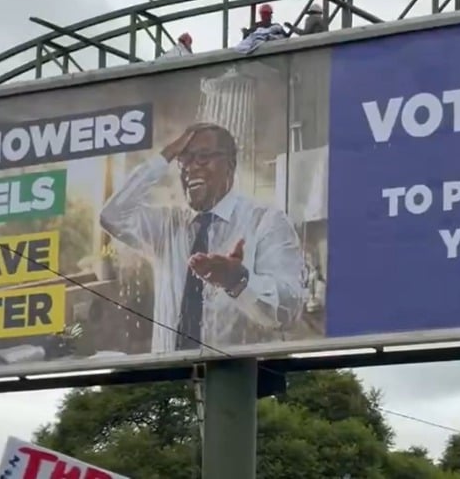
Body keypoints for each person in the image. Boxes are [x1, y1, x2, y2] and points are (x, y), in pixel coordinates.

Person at [99, 122, 307, 353]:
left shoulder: (266, 222)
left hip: (238, 378)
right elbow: (112, 216)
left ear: (230, 164)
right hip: (170, 377)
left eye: (203, 157)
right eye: (183, 160)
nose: (190, 168)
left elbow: (289, 310)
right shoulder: (168, 225)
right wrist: (165, 156)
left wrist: (238, 281)